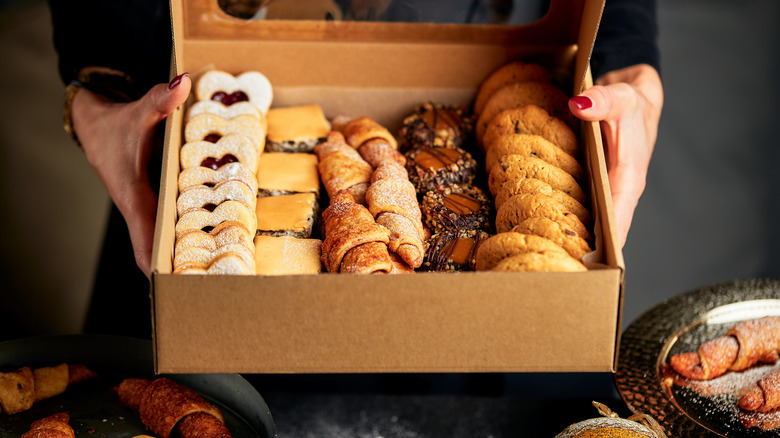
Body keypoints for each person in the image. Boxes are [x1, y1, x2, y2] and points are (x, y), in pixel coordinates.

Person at [47, 0, 662, 339]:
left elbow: (620, 23)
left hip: (476, 322)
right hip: (186, 181)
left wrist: (628, 62)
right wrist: (97, 91)